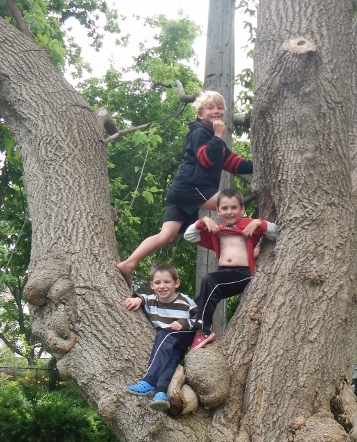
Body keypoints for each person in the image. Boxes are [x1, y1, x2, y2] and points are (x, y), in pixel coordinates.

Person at [117, 91, 254, 286]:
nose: (216, 111)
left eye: (220, 107)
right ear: (200, 114)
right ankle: (250, 239)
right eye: (210, 107)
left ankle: (128, 264)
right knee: (231, 206)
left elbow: (234, 164)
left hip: (181, 191)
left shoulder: (215, 140)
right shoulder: (200, 131)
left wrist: (257, 164)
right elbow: (205, 160)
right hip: (192, 187)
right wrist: (218, 135)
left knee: (166, 236)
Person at [184, 189, 278, 349]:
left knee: (209, 281)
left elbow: (276, 232)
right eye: (225, 208)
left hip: (242, 274)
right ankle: (184, 327)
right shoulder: (216, 229)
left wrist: (258, 223)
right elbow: (189, 235)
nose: (229, 212)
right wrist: (204, 221)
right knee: (198, 303)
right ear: (218, 210)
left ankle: (202, 331)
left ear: (242, 209)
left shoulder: (248, 225)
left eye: (234, 208)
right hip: (223, 274)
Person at [124, 264, 197, 411]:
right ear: (152, 285)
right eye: (157, 283)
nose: (162, 286)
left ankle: (149, 380)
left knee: (163, 334)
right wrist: (138, 300)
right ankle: (161, 392)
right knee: (172, 358)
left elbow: (200, 318)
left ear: (176, 283)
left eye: (167, 282)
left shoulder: (184, 300)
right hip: (170, 344)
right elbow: (143, 298)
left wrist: (183, 323)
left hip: (184, 335)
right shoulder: (152, 301)